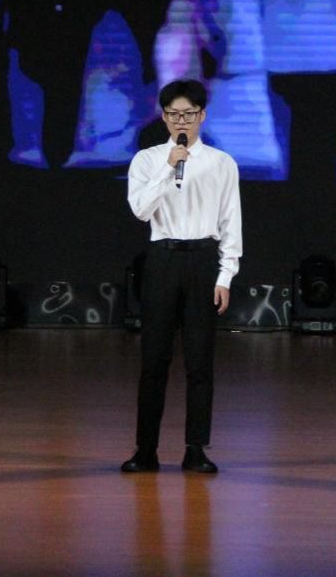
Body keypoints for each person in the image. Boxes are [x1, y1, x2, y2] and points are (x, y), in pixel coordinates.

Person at [122, 79, 241, 474]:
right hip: (162, 258)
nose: (181, 121)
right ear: (163, 117)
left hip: (203, 259)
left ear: (202, 115)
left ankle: (195, 449)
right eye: (173, 114)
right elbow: (141, 210)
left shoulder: (222, 163)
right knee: (154, 360)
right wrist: (168, 166)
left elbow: (231, 220)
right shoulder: (147, 160)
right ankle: (146, 450)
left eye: (188, 114)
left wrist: (225, 275)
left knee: (200, 361)